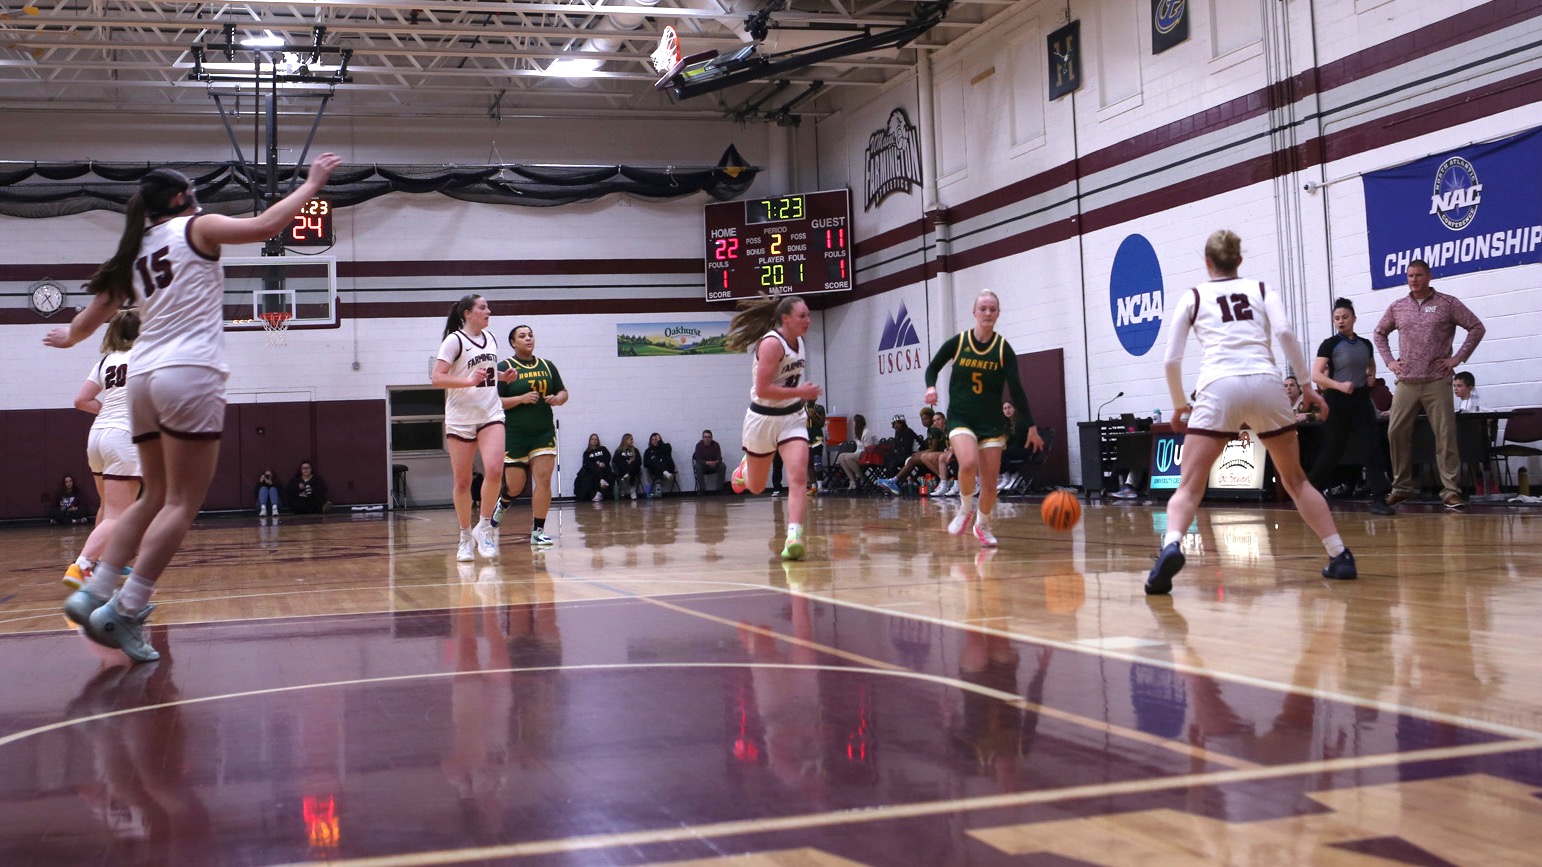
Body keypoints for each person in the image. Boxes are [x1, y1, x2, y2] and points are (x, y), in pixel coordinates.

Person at [45, 152, 342, 662]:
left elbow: (89, 320)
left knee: (153, 496)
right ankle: (126, 609)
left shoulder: (135, 251)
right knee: (183, 502)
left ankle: (94, 593)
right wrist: (312, 183)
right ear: (182, 198)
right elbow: (267, 224)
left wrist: (69, 336)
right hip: (189, 373)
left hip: (139, 378)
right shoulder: (196, 228)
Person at [1146, 229, 1355, 595]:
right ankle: (1340, 555)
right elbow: (1287, 333)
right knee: (1296, 481)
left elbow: (1171, 359)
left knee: (1190, 485)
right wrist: (1306, 385)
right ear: (1239, 260)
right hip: (1265, 382)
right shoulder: (1260, 289)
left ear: (1207, 261)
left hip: (1218, 385)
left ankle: (1172, 545)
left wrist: (1180, 403)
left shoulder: (1194, 296)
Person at [923, 289, 1044, 546]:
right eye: (983, 309)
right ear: (974, 313)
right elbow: (932, 367)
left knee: (990, 484)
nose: (988, 313)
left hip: (991, 423)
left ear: (998, 314)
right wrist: (931, 387)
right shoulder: (959, 342)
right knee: (966, 464)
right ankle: (965, 509)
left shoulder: (1002, 349)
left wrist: (1031, 425)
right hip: (961, 417)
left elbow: (1018, 390)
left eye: (992, 309)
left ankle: (983, 524)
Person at [1373, 260, 1486, 509]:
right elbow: (1379, 333)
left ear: (1429, 276)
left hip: (1437, 380)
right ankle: (1402, 487)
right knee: (1395, 431)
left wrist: (1457, 358)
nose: (1414, 279)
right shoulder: (1398, 307)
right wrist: (1390, 361)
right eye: (1410, 275)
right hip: (1406, 382)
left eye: (1419, 275)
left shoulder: (1448, 304)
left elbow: (1476, 327)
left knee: (1445, 435)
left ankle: (1451, 491)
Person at [724, 295, 823, 560]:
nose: (808, 320)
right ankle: (746, 466)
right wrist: (802, 390)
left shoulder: (800, 342)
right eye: (802, 316)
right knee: (756, 487)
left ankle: (794, 536)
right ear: (785, 319)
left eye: (809, 315)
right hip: (762, 419)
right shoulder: (770, 344)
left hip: (792, 418)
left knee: (798, 476)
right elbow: (763, 390)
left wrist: (799, 395)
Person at [432, 294, 519, 562]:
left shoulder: (490, 338)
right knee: (463, 482)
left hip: (490, 413)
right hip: (460, 418)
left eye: (488, 306)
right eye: (483, 307)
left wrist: (502, 376)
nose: (488, 310)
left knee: (494, 470)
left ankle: (484, 528)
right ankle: (464, 537)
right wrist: (469, 381)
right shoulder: (454, 340)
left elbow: (486, 372)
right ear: (468, 313)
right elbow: (437, 378)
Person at [62, 308, 143, 591]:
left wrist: (108, 409)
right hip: (123, 437)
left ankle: (106, 563)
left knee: (108, 508)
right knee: (119, 514)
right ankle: (81, 565)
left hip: (98, 436)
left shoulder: (106, 360)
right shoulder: (145, 358)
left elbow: (81, 400)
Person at [1308, 297, 1395, 516]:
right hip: (1336, 400)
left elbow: (1371, 365)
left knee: (1371, 446)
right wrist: (1338, 384)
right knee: (1333, 449)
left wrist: (1371, 376)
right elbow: (1316, 375)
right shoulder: (1330, 344)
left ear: (1354, 318)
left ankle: (1379, 498)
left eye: (1345, 317)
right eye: (1337, 318)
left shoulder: (1365, 344)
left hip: (1360, 399)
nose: (1341, 321)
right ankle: (1308, 493)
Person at [491, 324, 567, 545]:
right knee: (515, 486)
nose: (528, 338)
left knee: (543, 480)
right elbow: (494, 402)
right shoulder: (505, 368)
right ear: (513, 343)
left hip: (542, 432)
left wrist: (558, 398)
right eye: (522, 336)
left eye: (530, 335)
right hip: (515, 435)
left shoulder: (547, 366)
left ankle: (538, 531)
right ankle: (504, 502)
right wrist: (520, 399)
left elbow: (563, 391)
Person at [876, 411, 948, 495]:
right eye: (934, 420)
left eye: (938, 420)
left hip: (936, 453)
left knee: (911, 460)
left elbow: (933, 448)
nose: (924, 421)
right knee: (892, 461)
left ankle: (895, 481)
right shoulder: (931, 430)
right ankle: (894, 482)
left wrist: (919, 453)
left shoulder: (933, 431)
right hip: (934, 453)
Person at [834, 413, 878, 490]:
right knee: (841, 456)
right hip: (860, 453)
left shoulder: (866, 432)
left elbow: (868, 449)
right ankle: (852, 480)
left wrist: (856, 455)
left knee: (848, 457)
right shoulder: (858, 433)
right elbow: (858, 448)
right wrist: (855, 454)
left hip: (869, 455)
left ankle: (862, 478)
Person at [575, 433, 614, 502]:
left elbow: (608, 457)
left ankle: (600, 490)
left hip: (604, 468)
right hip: (592, 470)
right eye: (592, 439)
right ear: (590, 441)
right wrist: (596, 463)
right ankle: (601, 481)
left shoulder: (603, 449)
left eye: (596, 439)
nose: (594, 441)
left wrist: (603, 463)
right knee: (594, 467)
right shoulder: (587, 452)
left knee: (602, 468)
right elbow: (586, 463)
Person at [643, 432, 677, 497]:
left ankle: (665, 472)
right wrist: (653, 461)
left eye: (656, 439)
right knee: (653, 459)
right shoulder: (648, 451)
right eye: (652, 439)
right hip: (655, 471)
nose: (654, 441)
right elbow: (645, 464)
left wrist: (660, 442)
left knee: (663, 457)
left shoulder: (666, 446)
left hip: (668, 468)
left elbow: (668, 453)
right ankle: (664, 472)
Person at [692, 429, 725, 494]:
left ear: (711, 438)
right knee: (698, 467)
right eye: (705, 437)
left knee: (722, 466)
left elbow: (719, 457)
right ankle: (702, 490)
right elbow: (698, 458)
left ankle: (719, 489)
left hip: (714, 465)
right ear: (703, 438)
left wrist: (715, 462)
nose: (707, 439)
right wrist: (706, 463)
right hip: (703, 466)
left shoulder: (716, 444)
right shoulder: (699, 445)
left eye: (709, 437)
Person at [613, 433, 643, 501]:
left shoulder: (635, 450)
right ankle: (627, 477)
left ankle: (632, 489)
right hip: (622, 469)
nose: (632, 441)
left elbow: (640, 462)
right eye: (631, 439)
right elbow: (615, 462)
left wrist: (632, 461)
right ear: (625, 440)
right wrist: (626, 461)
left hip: (633, 469)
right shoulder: (619, 451)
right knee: (624, 463)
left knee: (633, 464)